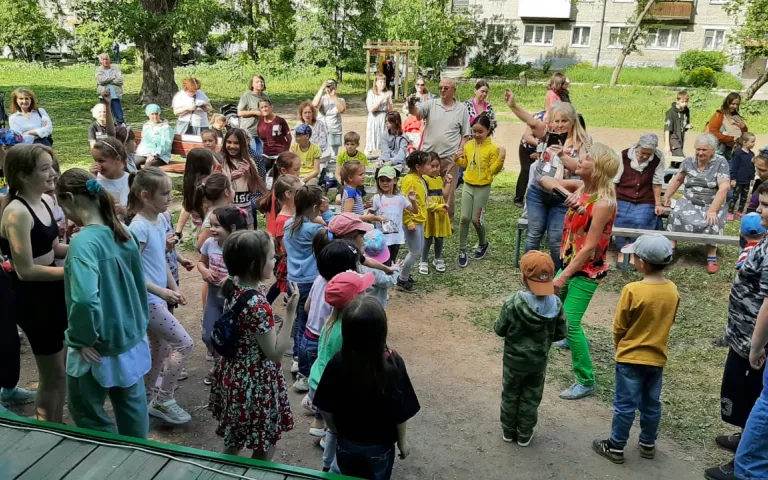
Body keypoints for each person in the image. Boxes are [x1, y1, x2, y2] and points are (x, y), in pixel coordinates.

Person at [56, 168, 150, 439]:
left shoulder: (83, 243)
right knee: (133, 408)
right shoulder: (123, 232)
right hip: (129, 337)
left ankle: (108, 459)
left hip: (96, 345)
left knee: (88, 413)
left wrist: (80, 338)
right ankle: (139, 456)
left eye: (61, 205)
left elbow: (85, 298)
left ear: (70, 198)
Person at [208, 230, 298, 461]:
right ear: (253, 264)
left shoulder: (234, 286)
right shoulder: (258, 304)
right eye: (271, 257)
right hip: (255, 382)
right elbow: (275, 353)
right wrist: (290, 314)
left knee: (235, 440)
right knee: (265, 445)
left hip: (235, 374)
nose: (275, 261)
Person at [540, 143, 620, 400]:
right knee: (551, 303)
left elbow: (589, 248)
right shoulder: (581, 188)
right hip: (569, 262)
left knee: (572, 324)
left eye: (586, 160)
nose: (579, 162)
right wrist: (567, 194)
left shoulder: (603, 203)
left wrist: (563, 277)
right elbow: (544, 179)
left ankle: (586, 380)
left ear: (597, 169)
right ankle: (563, 338)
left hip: (586, 271)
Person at [592, 234, 679, 464]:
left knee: (625, 405)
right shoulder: (672, 290)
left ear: (643, 262)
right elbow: (669, 320)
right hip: (657, 358)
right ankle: (648, 444)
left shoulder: (632, 290)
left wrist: (619, 346)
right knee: (652, 404)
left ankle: (615, 446)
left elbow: (620, 325)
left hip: (630, 358)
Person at [313, 294, 420, 479]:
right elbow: (401, 411)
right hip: (380, 446)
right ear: (382, 329)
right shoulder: (393, 363)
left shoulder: (338, 361)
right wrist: (402, 441)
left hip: (347, 442)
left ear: (346, 330)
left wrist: (334, 429)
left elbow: (325, 405)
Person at [703, 181, 768, 480]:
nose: (759, 211)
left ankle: (744, 460)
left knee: (753, 398)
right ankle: (744, 435)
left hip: (756, 342)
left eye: (766, 206)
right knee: (739, 394)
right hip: (743, 335)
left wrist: (757, 346)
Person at [0, 144, 68, 422]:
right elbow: (25, 271)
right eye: (44, 169)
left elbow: (54, 249)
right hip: (33, 298)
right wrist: (73, 272)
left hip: (54, 288)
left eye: (52, 166)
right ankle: (48, 430)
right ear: (22, 175)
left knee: (62, 370)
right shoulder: (17, 213)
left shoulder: (47, 202)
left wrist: (93, 248)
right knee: (53, 374)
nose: (53, 174)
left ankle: (57, 425)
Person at [127, 167, 193, 425]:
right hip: (147, 300)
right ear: (145, 196)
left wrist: (173, 288)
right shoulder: (138, 228)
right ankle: (163, 399)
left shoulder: (159, 219)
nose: (170, 197)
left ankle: (145, 396)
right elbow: (131, 273)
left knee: (161, 347)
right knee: (184, 344)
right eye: (164, 193)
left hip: (159, 298)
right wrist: (160, 291)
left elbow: (160, 259)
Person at [504, 90, 591, 271]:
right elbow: (531, 121)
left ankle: (556, 275)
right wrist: (513, 105)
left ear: (572, 121)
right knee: (534, 233)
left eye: (564, 121)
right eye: (556, 121)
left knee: (555, 238)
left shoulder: (583, 141)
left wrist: (562, 155)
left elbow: (580, 168)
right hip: (538, 193)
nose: (559, 125)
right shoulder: (547, 134)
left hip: (563, 197)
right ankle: (529, 271)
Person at [495, 250, 566, 447]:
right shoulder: (556, 304)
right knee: (531, 398)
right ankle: (524, 434)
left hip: (513, 362)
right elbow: (561, 333)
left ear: (523, 277)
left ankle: (508, 431)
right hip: (537, 364)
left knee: (510, 395)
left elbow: (500, 329)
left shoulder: (513, 302)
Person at [308, 265, 373, 472]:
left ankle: (326, 465)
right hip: (330, 390)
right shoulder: (347, 331)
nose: (366, 292)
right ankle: (336, 468)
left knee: (332, 430)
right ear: (353, 301)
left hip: (317, 384)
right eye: (362, 291)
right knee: (340, 433)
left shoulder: (331, 322)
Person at [302, 240, 363, 440]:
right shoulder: (341, 293)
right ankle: (325, 428)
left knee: (319, 377)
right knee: (328, 385)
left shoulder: (318, 280)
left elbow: (307, 307)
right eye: (356, 263)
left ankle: (316, 414)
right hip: (325, 342)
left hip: (310, 337)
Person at [283, 186, 334, 382]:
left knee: (299, 320)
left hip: (292, 280)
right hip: (309, 282)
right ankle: (304, 364)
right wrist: (327, 213)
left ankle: (297, 357)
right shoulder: (315, 230)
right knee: (308, 325)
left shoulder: (288, 224)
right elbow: (335, 233)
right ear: (315, 207)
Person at [665, 134, 730, 273]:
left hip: (711, 202)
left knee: (713, 221)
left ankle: (711, 256)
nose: (700, 153)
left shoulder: (721, 162)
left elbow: (724, 187)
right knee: (676, 213)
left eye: (704, 150)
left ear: (713, 150)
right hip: (689, 200)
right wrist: (667, 196)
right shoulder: (688, 161)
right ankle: (670, 250)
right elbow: (678, 179)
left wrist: (712, 210)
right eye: (698, 149)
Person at [407, 78, 471, 221]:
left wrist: (459, 152)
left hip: (450, 158)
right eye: (440, 87)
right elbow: (417, 113)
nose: (442, 90)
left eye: (446, 88)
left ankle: (447, 222)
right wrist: (410, 105)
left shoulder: (461, 109)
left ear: (454, 91)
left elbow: (465, 135)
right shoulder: (431, 104)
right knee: (425, 188)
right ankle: (425, 219)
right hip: (428, 157)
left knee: (449, 190)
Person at [198, 207, 247, 374]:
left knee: (235, 337)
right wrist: (204, 271)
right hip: (213, 296)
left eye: (217, 225)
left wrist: (232, 277)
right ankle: (220, 364)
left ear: (232, 227)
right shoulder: (209, 243)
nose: (212, 229)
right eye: (211, 225)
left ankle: (231, 368)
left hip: (234, 298)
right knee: (208, 336)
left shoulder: (240, 247)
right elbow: (201, 262)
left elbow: (248, 270)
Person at [456, 114, 503, 268]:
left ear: (488, 130)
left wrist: (501, 158)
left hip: (483, 187)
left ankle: (483, 243)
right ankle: (462, 250)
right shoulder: (468, 145)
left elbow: (493, 170)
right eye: (474, 131)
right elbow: (466, 163)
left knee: (476, 220)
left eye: (480, 132)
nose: (476, 135)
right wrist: (457, 159)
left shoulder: (492, 149)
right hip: (468, 184)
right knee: (464, 218)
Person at [612, 133, 666, 261]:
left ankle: (635, 249)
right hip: (623, 196)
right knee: (621, 218)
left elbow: (657, 183)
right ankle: (621, 250)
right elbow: (614, 181)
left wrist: (658, 204)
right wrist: (612, 201)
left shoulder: (657, 158)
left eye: (648, 154)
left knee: (641, 220)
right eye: (642, 153)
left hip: (645, 198)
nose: (645, 156)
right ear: (637, 147)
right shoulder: (624, 156)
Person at [219, 128, 267, 229]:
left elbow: (253, 189)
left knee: (248, 235)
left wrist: (248, 174)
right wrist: (229, 179)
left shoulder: (249, 162)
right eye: (229, 142)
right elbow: (215, 187)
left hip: (245, 208)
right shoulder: (221, 161)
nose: (232, 146)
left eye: (236, 143)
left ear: (243, 144)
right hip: (227, 209)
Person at [371, 166, 418, 265]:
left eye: (388, 180)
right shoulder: (377, 198)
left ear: (395, 181)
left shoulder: (400, 198)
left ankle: (391, 274)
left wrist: (413, 201)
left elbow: (414, 211)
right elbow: (370, 214)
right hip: (382, 238)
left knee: (392, 261)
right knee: (384, 262)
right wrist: (375, 217)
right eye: (382, 180)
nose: (384, 183)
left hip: (396, 238)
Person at [397, 151, 429, 293]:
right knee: (414, 251)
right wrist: (408, 221)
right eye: (427, 164)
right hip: (413, 222)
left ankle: (404, 275)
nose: (429, 167)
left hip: (419, 220)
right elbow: (404, 203)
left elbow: (422, 201)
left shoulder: (420, 179)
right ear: (418, 166)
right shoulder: (410, 180)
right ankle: (402, 279)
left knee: (417, 250)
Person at [174, 148, 217, 240]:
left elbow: (187, 207)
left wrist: (178, 231)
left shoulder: (189, 183)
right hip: (209, 228)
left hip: (196, 228)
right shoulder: (209, 184)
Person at [420, 153, 452, 274]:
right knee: (427, 237)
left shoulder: (439, 179)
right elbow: (424, 199)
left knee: (439, 237)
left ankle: (437, 258)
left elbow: (444, 195)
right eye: (431, 166)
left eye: (437, 166)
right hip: (430, 212)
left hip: (440, 213)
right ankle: (423, 260)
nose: (435, 169)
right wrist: (436, 206)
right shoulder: (424, 180)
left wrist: (448, 183)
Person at [194, 173, 236, 252]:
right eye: (232, 187)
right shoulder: (214, 217)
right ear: (226, 192)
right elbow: (200, 245)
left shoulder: (220, 212)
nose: (234, 190)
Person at [90, 138, 130, 220]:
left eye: (101, 161)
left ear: (117, 159)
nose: (97, 165)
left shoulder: (131, 181)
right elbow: (87, 207)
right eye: (95, 160)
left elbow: (141, 213)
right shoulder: (95, 182)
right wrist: (92, 178)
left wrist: (123, 210)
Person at [515, 110, 546, 208]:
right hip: (527, 147)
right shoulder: (538, 117)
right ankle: (518, 198)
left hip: (544, 150)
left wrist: (540, 152)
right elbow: (527, 136)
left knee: (542, 172)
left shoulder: (560, 122)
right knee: (526, 170)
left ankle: (539, 198)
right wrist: (541, 147)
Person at [362, 229, 400, 308]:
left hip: (362, 298)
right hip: (376, 303)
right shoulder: (375, 271)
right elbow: (387, 282)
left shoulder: (360, 261)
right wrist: (396, 270)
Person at [707, 92, 748, 161]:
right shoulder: (719, 115)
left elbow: (744, 134)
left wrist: (743, 127)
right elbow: (713, 133)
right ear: (727, 102)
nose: (735, 106)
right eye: (733, 104)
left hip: (736, 151)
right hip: (722, 151)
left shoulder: (736, 116)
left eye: (737, 104)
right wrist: (732, 139)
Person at [237, 75, 271, 157]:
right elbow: (239, 113)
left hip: (262, 131)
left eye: (261, 81)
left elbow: (270, 110)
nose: (260, 83)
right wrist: (255, 112)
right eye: (257, 82)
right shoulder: (247, 96)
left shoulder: (265, 96)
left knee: (260, 156)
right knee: (250, 155)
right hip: (249, 130)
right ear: (252, 84)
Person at [313, 80, 347, 159]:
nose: (330, 87)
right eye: (328, 85)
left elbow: (342, 110)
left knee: (333, 155)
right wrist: (321, 88)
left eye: (332, 85)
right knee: (320, 154)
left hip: (335, 130)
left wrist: (334, 97)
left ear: (336, 87)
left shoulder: (340, 100)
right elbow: (314, 105)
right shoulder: (322, 99)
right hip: (321, 131)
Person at [257, 99, 291, 167]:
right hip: (266, 155)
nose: (264, 109)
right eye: (262, 107)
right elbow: (261, 140)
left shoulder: (280, 121)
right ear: (259, 110)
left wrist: (284, 154)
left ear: (271, 107)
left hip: (279, 155)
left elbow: (289, 138)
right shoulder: (260, 123)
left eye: (266, 106)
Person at [365, 73, 393, 157]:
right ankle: (369, 155)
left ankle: (384, 156)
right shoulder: (371, 93)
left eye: (384, 82)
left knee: (384, 137)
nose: (383, 84)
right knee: (372, 137)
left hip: (384, 118)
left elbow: (390, 109)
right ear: (376, 82)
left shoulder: (387, 93)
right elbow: (371, 108)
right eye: (380, 82)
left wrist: (387, 100)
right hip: (374, 118)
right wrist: (381, 99)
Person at [730, 132, 756, 217]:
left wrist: (752, 178)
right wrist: (733, 178)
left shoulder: (752, 154)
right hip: (738, 180)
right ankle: (730, 212)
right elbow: (734, 167)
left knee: (744, 197)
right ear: (744, 142)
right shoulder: (738, 153)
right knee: (735, 197)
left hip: (747, 180)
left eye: (754, 141)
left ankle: (740, 211)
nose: (754, 143)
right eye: (752, 141)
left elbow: (752, 167)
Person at [94, 53, 125, 126]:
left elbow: (120, 80)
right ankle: (105, 131)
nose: (105, 61)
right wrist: (113, 78)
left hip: (115, 96)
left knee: (119, 117)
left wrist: (107, 81)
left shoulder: (115, 68)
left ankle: (123, 130)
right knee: (104, 116)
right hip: (104, 97)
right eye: (103, 59)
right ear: (100, 61)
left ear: (109, 59)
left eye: (107, 59)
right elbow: (101, 80)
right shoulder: (98, 70)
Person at [664, 90, 692, 159]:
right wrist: (667, 145)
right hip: (673, 140)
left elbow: (684, 125)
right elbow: (667, 129)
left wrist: (687, 126)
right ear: (678, 101)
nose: (684, 104)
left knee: (676, 162)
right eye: (682, 102)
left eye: (686, 102)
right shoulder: (671, 113)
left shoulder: (686, 111)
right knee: (681, 159)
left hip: (681, 139)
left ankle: (673, 166)